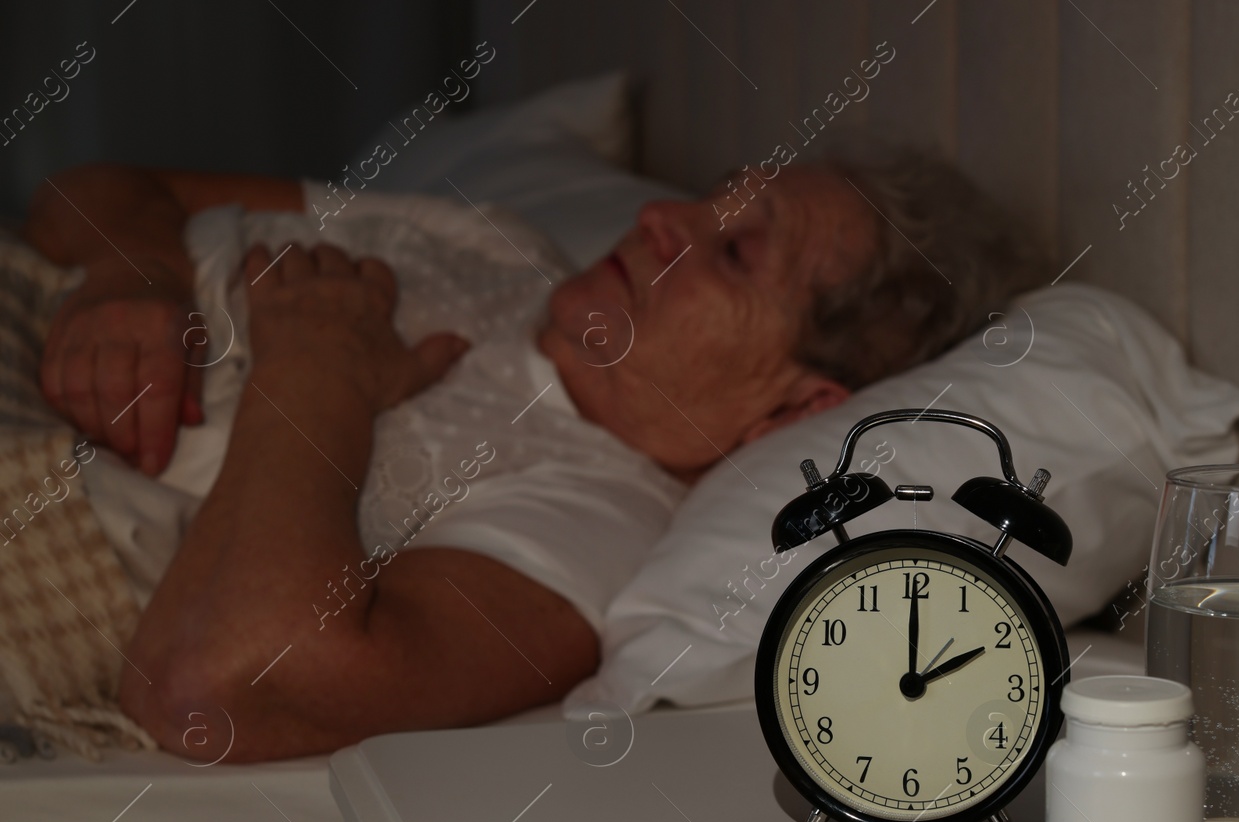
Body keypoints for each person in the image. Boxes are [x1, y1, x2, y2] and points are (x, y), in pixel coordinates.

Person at [20, 151, 1042, 761]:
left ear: (798, 403)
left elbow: (221, 687)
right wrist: (127, 275)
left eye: (733, 250)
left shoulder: (594, 523)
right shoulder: (497, 239)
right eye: (709, 197)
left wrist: (317, 367)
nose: (660, 217)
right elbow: (94, 183)